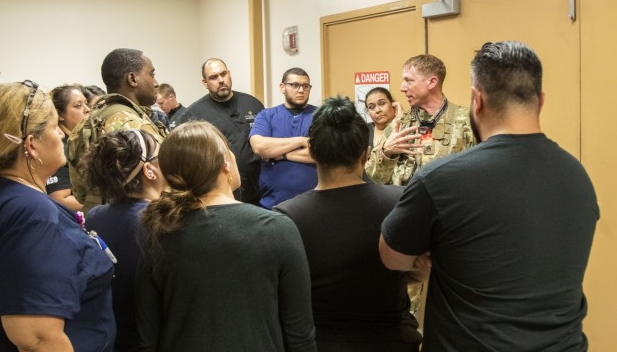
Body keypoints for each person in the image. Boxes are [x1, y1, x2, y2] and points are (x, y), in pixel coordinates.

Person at [379, 41, 599, 351]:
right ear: (541, 101)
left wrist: (437, 250)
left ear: (477, 101)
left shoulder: (441, 179)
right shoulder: (578, 176)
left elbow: (393, 257)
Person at [136, 121, 317, 351]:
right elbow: (300, 336)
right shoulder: (277, 229)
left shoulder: (158, 232)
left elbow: (147, 338)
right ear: (226, 164)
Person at [275, 96, 423, 352]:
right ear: (366, 153)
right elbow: (421, 270)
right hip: (392, 340)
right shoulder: (400, 203)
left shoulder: (286, 217)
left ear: (312, 152)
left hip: (320, 343)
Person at [0, 82, 115, 351]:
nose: (61, 136)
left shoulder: (4, 193)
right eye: (54, 127)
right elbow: (37, 338)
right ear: (31, 145)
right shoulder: (30, 212)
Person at [81, 129, 165, 352]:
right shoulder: (161, 221)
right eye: (161, 155)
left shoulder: (95, 217)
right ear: (149, 169)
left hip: (112, 338)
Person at [68, 48, 168, 211]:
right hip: (138, 223)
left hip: (100, 221)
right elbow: (162, 185)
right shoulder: (132, 126)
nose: (156, 83)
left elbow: (80, 193)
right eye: (151, 74)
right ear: (132, 79)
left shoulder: (90, 121)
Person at [365, 54, 474, 186]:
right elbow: (375, 177)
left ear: (432, 82)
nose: (402, 88)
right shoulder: (400, 124)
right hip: (406, 204)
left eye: (408, 81)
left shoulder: (466, 121)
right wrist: (387, 153)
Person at [182, 58, 264, 204]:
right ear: (205, 83)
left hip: (257, 192)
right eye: (213, 77)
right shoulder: (193, 115)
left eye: (223, 74)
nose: (221, 80)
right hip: (219, 197)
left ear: (229, 74)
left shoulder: (252, 103)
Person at [249, 67, 317, 209]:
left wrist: (282, 154)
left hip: (314, 203)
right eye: (295, 85)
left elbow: (323, 153)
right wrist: (302, 141)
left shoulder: (320, 115)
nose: (301, 90)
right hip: (273, 203)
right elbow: (259, 147)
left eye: (305, 86)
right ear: (282, 87)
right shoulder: (266, 115)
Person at [46, 84, 91, 211]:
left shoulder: (82, 140)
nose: (87, 109)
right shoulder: (59, 148)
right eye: (78, 106)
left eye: (86, 103)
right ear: (60, 115)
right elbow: (60, 199)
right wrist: (104, 202)